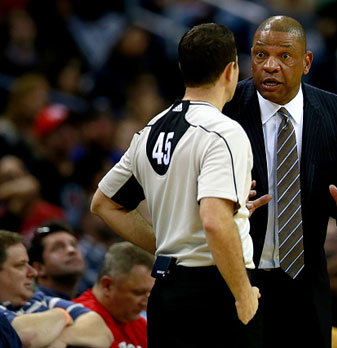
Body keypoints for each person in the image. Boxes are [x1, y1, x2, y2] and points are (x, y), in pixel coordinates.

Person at [89, 23, 261, 348]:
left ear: (183, 68)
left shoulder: (151, 129)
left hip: (167, 288)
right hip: (215, 288)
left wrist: (168, 244)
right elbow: (213, 220)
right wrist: (243, 294)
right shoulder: (225, 131)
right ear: (231, 71)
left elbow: (103, 202)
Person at [222, 15, 337, 348]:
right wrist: (227, 211)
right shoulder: (225, 108)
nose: (270, 66)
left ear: (306, 62)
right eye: (261, 55)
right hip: (236, 280)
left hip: (306, 287)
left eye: (284, 56)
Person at [0, 230, 113, 348]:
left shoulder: (38, 299)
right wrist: (62, 315)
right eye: (20, 265)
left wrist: (60, 340)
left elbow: (103, 332)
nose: (32, 272)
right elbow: (27, 335)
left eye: (74, 245)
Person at [74, 242, 154, 348]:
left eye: (150, 293)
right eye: (138, 293)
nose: (145, 304)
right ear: (107, 286)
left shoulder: (141, 326)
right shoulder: (77, 319)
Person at [28, 220, 85, 299]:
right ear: (39, 268)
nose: (71, 250)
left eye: (74, 245)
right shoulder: (34, 305)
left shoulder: (84, 301)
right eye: (58, 247)